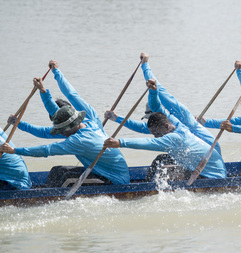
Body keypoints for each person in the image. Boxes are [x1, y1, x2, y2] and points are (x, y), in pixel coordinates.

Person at [0, 61, 130, 187]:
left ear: (69, 126)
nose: (59, 133)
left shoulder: (78, 140)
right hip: (98, 170)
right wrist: (43, 91)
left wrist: (14, 150)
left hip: (114, 179)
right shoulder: (87, 122)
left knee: (66, 180)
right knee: (57, 171)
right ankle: (42, 197)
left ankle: (44, 202)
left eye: (61, 130)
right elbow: (50, 122)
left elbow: (46, 150)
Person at [103, 79, 227, 180]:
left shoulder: (174, 137)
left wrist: (120, 143)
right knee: (161, 160)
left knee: (168, 171)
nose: (156, 137)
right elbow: (155, 109)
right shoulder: (176, 125)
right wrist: (153, 92)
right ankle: (148, 185)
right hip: (203, 166)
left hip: (213, 176)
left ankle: (148, 190)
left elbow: (149, 143)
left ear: (166, 127)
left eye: (157, 134)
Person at [139, 53, 221, 154]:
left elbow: (160, 93)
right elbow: (141, 127)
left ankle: (146, 64)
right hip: (199, 153)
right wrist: (117, 118)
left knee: (162, 94)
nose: (155, 135)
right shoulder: (164, 126)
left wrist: (145, 66)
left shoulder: (178, 118)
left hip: (210, 152)